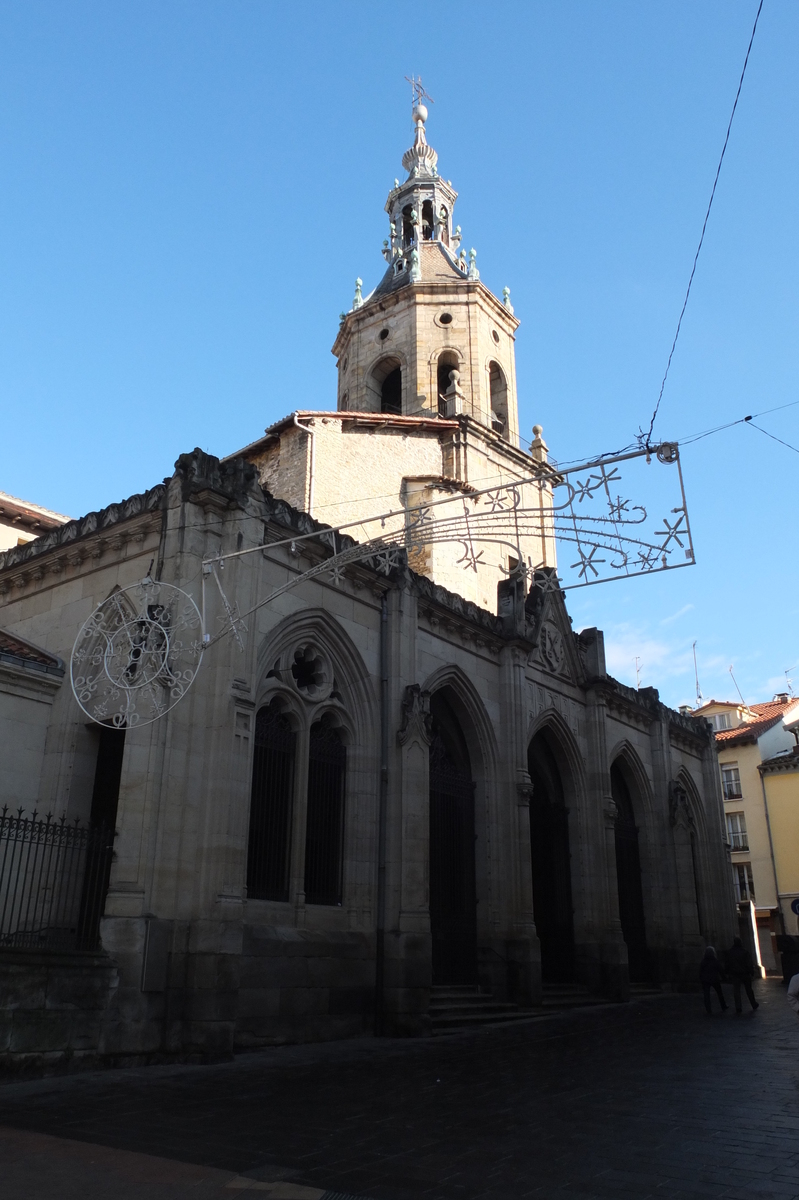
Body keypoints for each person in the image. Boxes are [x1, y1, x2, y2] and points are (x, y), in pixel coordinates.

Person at [724, 936, 759, 1013]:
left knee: (736, 991)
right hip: (745, 973)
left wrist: (727, 973)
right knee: (749, 990)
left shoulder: (730, 952)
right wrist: (751, 972)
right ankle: (753, 1004)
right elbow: (749, 963)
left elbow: (727, 964)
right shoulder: (745, 952)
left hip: (735, 974)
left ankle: (738, 1006)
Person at [699, 946, 728, 1015]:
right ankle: (723, 1006)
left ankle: (708, 1009)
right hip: (715, 979)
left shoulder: (703, 961)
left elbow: (700, 971)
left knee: (706, 995)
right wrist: (724, 978)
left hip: (705, 980)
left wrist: (701, 979)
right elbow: (720, 970)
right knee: (719, 993)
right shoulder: (715, 961)